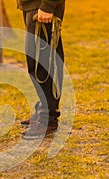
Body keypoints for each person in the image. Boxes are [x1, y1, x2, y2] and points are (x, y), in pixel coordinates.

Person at [17, 0, 66, 139]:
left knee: (42, 65)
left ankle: (48, 117)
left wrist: (48, 5)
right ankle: (44, 109)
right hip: (32, 6)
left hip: (42, 7)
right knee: (36, 63)